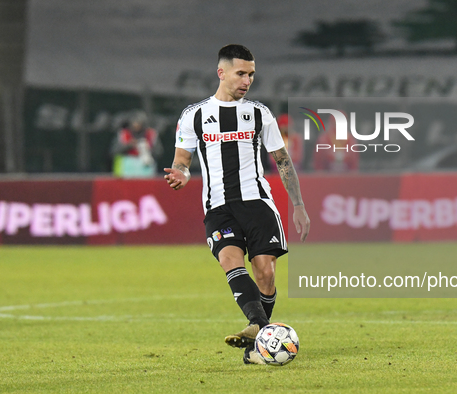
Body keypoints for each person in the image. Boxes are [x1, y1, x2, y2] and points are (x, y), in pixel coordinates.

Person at [163, 44, 310, 365]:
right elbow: (182, 161)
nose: (247, 80)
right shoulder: (194, 115)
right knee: (229, 260)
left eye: (251, 75)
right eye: (241, 73)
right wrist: (182, 174)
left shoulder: (259, 113)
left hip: (257, 202)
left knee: (265, 273)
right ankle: (260, 328)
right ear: (222, 73)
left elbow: (283, 161)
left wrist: (297, 204)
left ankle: (256, 336)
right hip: (218, 206)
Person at [111, 111, 162, 177]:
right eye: (134, 123)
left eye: (138, 123)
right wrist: (129, 145)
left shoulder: (152, 134)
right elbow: (113, 152)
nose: (136, 126)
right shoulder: (123, 134)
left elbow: (159, 152)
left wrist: (148, 149)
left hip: (145, 168)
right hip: (127, 168)